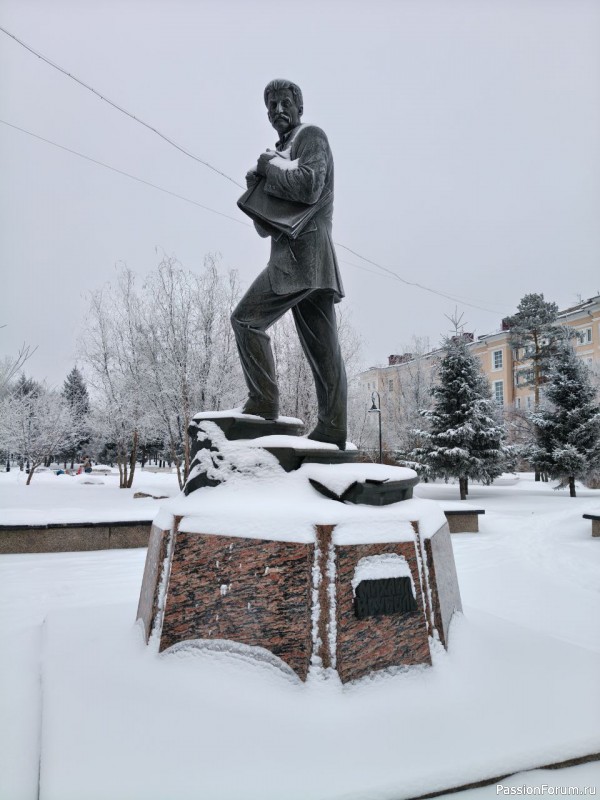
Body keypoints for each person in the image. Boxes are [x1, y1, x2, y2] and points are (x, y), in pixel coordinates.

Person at [231, 79, 347, 448]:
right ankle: (332, 429)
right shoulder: (282, 151)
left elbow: (310, 184)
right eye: (271, 105)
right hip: (301, 259)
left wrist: (270, 170)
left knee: (246, 320)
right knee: (324, 351)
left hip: (302, 255)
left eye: (285, 103)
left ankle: (265, 400)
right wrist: (258, 190)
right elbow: (267, 228)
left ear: (299, 107)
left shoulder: (311, 136)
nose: (278, 111)